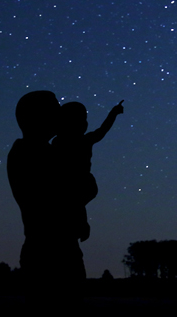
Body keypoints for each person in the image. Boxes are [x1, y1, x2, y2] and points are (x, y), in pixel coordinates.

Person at [6, 90, 76, 317]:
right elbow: (71, 192)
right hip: (50, 252)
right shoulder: (35, 154)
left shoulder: (31, 152)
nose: (60, 115)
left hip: (47, 248)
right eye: (54, 110)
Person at [52, 99, 124, 249]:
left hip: (80, 183)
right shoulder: (67, 142)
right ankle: (79, 227)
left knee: (73, 203)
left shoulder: (67, 142)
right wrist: (113, 113)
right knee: (73, 204)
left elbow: (102, 130)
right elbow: (102, 130)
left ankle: (78, 227)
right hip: (75, 184)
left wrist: (113, 113)